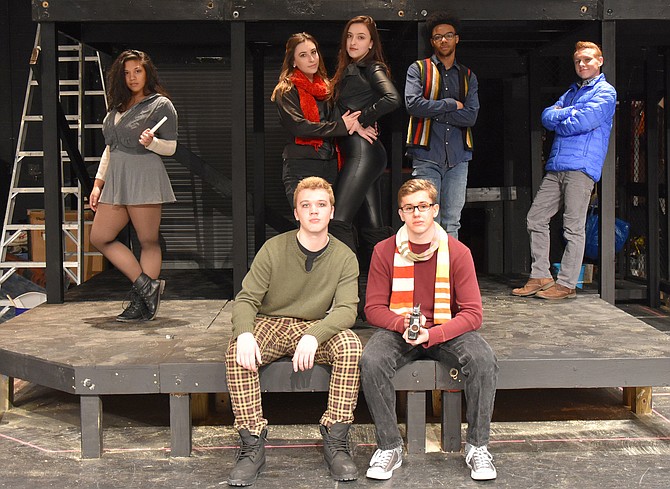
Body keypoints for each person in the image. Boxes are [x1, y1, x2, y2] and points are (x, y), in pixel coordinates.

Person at [225, 176, 362, 486]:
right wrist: (244, 332)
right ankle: (251, 445)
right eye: (306, 206)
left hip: (315, 326)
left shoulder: (344, 257)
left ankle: (337, 440)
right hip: (272, 323)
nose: (314, 212)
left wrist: (314, 335)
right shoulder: (274, 249)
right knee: (237, 351)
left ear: (331, 211)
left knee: (351, 345)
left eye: (321, 205)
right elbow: (246, 299)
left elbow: (346, 309)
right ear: (297, 213)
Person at [360, 179, 498, 481]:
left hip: (445, 327)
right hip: (401, 328)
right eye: (410, 208)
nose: (417, 213)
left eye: (423, 206)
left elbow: (473, 314)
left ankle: (478, 447)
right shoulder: (384, 251)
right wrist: (402, 325)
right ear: (401, 214)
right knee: (371, 361)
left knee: (483, 360)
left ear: (435, 209)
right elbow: (373, 308)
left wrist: (432, 334)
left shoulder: (457, 252)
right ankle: (389, 446)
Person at [512, 41, 616, 300]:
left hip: (581, 167)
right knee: (535, 218)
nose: (582, 64)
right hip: (557, 165)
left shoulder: (605, 92)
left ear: (600, 61)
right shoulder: (572, 92)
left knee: (573, 228)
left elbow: (580, 123)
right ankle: (541, 276)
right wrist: (568, 112)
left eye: (588, 60)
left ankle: (567, 283)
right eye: (579, 61)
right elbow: (547, 117)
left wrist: (563, 117)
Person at [89, 50, 177, 322]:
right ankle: (146, 286)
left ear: (147, 72)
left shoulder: (160, 105)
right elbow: (109, 149)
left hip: (144, 175)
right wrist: (97, 184)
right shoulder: (117, 107)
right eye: (127, 73)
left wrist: (152, 143)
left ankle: (141, 303)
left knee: (147, 240)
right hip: (116, 177)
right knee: (99, 237)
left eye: (137, 71)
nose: (132, 77)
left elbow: (171, 147)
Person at [271, 32, 376, 208]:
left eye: (314, 52)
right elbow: (300, 127)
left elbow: (341, 118)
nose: (311, 59)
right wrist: (341, 127)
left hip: (330, 165)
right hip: (301, 166)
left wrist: (357, 125)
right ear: (293, 61)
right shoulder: (286, 89)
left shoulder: (327, 88)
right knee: (308, 224)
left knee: (331, 224)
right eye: (303, 55)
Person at [329, 15, 401, 255]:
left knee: (337, 221)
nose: (353, 42)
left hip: (363, 154)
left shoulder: (372, 67)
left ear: (371, 43)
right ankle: (387, 287)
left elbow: (392, 98)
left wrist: (360, 120)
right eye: (349, 36)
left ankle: (344, 285)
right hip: (365, 154)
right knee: (373, 227)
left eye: (360, 37)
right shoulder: (347, 71)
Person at [405, 12, 480, 238]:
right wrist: (449, 104)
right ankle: (427, 272)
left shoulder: (468, 76)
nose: (443, 40)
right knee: (426, 219)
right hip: (427, 155)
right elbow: (413, 104)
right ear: (432, 42)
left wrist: (434, 111)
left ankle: (447, 273)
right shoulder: (418, 69)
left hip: (458, 158)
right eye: (438, 37)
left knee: (452, 221)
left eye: (448, 36)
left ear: (456, 38)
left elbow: (470, 117)